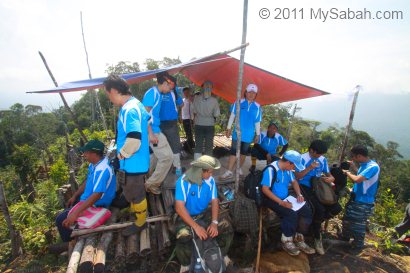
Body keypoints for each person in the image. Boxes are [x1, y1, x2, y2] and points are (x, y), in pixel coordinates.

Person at [104, 74, 151, 236]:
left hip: (133, 161)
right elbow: (147, 120)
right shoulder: (136, 103)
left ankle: (141, 222)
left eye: (108, 93)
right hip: (137, 160)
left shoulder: (129, 109)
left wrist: (120, 156)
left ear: (115, 91)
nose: (109, 98)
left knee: (135, 193)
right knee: (131, 190)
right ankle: (136, 211)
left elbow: (134, 140)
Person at [174, 155, 233, 273]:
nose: (211, 175)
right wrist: (195, 227)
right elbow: (179, 208)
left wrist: (215, 222)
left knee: (226, 227)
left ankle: (222, 253)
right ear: (201, 171)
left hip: (203, 213)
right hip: (186, 216)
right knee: (183, 235)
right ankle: (185, 263)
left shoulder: (209, 180)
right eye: (210, 172)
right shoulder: (183, 181)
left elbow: (215, 200)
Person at [55, 140, 116, 242]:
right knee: (67, 209)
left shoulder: (102, 170)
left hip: (97, 204)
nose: (84, 155)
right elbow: (88, 181)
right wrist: (75, 195)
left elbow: (97, 194)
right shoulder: (94, 164)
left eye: (86, 152)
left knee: (60, 220)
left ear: (93, 153)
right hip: (89, 198)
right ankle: (72, 236)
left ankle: (71, 241)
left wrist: (76, 213)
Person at [261, 150, 315, 256]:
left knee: (306, 211)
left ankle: (299, 238)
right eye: (294, 166)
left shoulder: (288, 170)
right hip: (272, 199)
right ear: (288, 163)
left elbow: (294, 182)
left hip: (286, 198)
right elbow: (265, 189)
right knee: (291, 214)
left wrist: (299, 195)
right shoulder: (271, 169)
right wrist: (281, 203)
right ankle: (287, 240)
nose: (294, 169)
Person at [295, 140, 342, 255]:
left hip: (319, 186)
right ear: (311, 150)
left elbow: (328, 174)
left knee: (336, 207)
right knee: (319, 209)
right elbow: (297, 176)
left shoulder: (322, 159)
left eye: (321, 154)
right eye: (318, 153)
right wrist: (309, 168)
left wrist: (331, 178)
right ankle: (317, 237)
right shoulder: (302, 158)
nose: (320, 156)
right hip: (305, 186)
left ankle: (314, 224)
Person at [340, 145, 380, 252]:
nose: (352, 158)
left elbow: (358, 179)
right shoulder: (364, 165)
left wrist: (347, 172)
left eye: (353, 156)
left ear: (359, 156)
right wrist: (354, 167)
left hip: (363, 202)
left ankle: (357, 246)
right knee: (347, 219)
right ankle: (345, 238)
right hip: (356, 198)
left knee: (358, 225)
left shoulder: (373, 167)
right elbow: (362, 176)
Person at [219, 83, 262, 180]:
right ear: (245, 93)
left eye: (254, 93)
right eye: (249, 92)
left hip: (249, 134)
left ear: (256, 95)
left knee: (243, 153)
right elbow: (232, 116)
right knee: (233, 152)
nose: (251, 94)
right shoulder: (238, 102)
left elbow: (257, 122)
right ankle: (229, 171)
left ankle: (238, 168)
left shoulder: (257, 107)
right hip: (237, 133)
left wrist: (258, 134)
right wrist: (229, 128)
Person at [142, 71, 174, 194]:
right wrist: (150, 134)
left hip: (155, 129)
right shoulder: (152, 94)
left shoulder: (158, 94)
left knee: (156, 155)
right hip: (152, 131)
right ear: (165, 83)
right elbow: (144, 115)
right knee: (167, 158)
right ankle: (151, 184)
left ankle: (147, 175)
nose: (170, 90)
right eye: (170, 87)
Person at [159, 75, 184, 177]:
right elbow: (181, 104)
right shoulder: (175, 91)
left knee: (163, 146)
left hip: (158, 123)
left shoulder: (157, 90)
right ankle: (177, 168)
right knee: (175, 145)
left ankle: (165, 169)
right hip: (170, 122)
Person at [192, 81, 220, 160]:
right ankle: (207, 166)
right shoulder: (214, 100)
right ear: (211, 88)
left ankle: (197, 165)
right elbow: (216, 114)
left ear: (202, 88)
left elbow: (193, 111)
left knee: (198, 145)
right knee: (209, 145)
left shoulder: (196, 98)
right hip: (209, 125)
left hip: (198, 123)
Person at [181, 87, 195, 152]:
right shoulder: (182, 100)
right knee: (187, 133)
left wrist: (194, 118)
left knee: (189, 133)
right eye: (185, 93)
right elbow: (181, 109)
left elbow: (194, 110)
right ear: (183, 93)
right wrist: (180, 117)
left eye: (187, 92)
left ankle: (190, 146)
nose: (186, 94)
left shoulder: (191, 100)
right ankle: (189, 145)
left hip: (189, 119)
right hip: (184, 119)